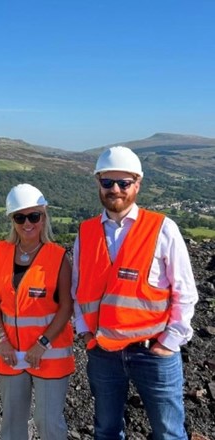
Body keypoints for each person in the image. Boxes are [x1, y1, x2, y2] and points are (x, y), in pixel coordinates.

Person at [73, 146, 198, 440]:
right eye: (107, 182)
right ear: (98, 183)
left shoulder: (163, 229)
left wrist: (170, 341)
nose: (115, 189)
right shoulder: (86, 232)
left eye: (123, 183)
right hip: (103, 352)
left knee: (168, 434)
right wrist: (85, 333)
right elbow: (78, 289)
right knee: (106, 431)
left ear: (137, 184)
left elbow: (185, 291)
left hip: (153, 352)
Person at [0, 184, 74, 440]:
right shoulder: (0, 252)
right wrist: (1, 339)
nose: (27, 223)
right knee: (12, 425)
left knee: (48, 424)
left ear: (44, 217)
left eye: (34, 216)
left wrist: (42, 343)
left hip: (48, 354)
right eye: (20, 217)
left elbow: (66, 307)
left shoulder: (58, 257)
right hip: (9, 353)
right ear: (12, 220)